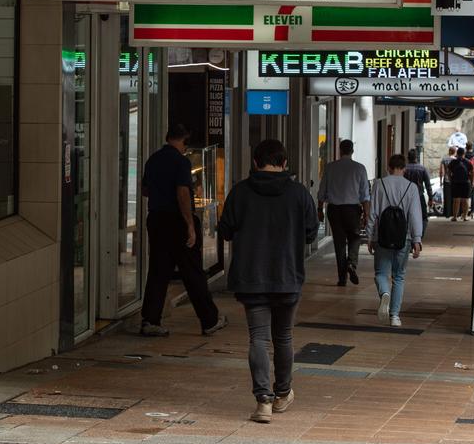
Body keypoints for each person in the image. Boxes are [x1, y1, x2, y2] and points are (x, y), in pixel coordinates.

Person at [219, 140, 317, 424]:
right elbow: (311, 233)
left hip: (251, 277)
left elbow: (225, 230)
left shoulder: (240, 192)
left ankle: (263, 401)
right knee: (283, 336)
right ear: (285, 163)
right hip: (287, 276)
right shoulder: (299, 194)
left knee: (258, 338)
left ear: (255, 162)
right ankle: (282, 393)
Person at [140, 124, 227, 337]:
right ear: (184, 140)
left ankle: (150, 320)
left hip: (156, 219)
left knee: (158, 271)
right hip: (176, 221)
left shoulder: (153, 159)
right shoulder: (180, 162)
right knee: (192, 272)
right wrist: (189, 224)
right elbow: (182, 194)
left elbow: (144, 190)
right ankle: (210, 320)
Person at [366, 153, 423, 328]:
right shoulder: (411, 187)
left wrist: (369, 236)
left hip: (382, 237)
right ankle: (395, 316)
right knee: (399, 276)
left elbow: (373, 213)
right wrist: (417, 239)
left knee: (381, 273)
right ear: (404, 169)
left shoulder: (379, 184)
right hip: (403, 238)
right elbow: (414, 215)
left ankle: (384, 293)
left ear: (388, 168)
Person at [317, 139, 370, 287]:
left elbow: (322, 191)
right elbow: (365, 195)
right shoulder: (360, 168)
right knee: (355, 237)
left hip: (334, 209)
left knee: (339, 243)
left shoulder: (330, 167)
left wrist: (319, 209)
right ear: (352, 151)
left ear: (340, 150)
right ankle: (352, 264)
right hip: (352, 210)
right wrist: (366, 214)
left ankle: (342, 279)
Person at [403, 149, 433, 237]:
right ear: (417, 157)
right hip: (419, 196)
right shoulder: (422, 169)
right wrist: (430, 198)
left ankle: (407, 236)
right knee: (423, 217)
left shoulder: (404, 169)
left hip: (406, 196)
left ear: (408, 158)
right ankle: (419, 235)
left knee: (406, 216)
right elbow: (428, 185)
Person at [449, 147, 474, 221]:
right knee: (465, 200)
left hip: (455, 182)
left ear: (457, 153)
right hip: (466, 183)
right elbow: (472, 172)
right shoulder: (468, 162)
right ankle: (465, 216)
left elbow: (448, 172)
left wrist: (451, 179)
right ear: (464, 153)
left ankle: (455, 217)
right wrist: (472, 182)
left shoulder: (453, 162)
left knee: (456, 200)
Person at [438, 147, 457, 218]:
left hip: (446, 180)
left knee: (447, 197)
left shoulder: (444, 159)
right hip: (454, 181)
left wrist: (440, 180)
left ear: (449, 151)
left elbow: (441, 171)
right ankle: (454, 213)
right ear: (455, 152)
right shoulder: (456, 160)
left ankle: (447, 213)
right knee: (454, 197)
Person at [464, 141, 474, 220]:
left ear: (466, 147)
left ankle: (464, 213)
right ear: (472, 147)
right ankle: (472, 213)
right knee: (473, 196)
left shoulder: (464, 156)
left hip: (465, 178)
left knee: (465, 196)